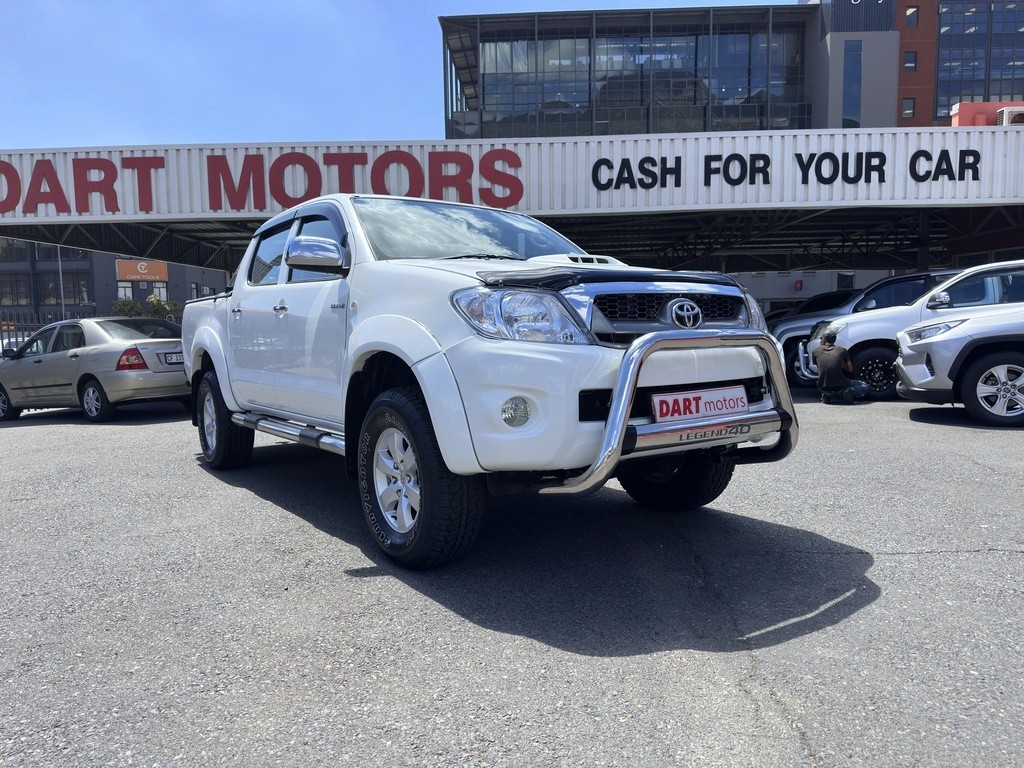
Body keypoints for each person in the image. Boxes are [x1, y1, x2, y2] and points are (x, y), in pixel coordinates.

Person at [812, 332, 871, 403]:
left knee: (826, 379)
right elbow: (850, 369)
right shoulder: (842, 350)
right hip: (840, 385)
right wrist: (841, 364)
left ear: (824, 340)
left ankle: (826, 395)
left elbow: (821, 368)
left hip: (822, 386)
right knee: (865, 385)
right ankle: (850, 392)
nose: (821, 341)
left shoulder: (815, 350)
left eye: (821, 339)